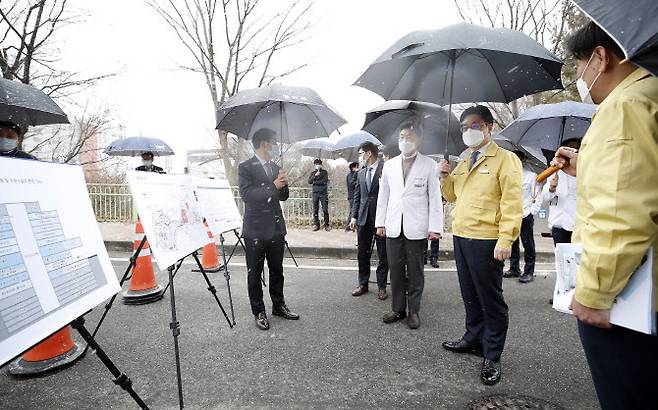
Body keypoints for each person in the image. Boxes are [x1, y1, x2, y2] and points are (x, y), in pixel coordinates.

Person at [550, 22, 658, 409]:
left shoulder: (625, 105)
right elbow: (639, 179)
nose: (580, 75)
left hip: (629, 298)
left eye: (579, 63)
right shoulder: (649, 94)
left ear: (600, 56)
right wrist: (585, 165)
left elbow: (621, 212)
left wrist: (594, 292)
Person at [439, 105, 523, 386]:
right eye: (464, 127)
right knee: (470, 294)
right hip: (462, 236)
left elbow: (512, 203)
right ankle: (473, 338)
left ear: (490, 128)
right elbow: (451, 196)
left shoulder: (505, 160)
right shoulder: (464, 161)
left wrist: (506, 239)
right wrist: (444, 176)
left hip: (488, 240)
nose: (468, 131)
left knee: (491, 299)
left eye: (474, 126)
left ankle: (493, 354)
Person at [375, 121, 443, 330]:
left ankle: (413, 311)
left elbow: (434, 197)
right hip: (394, 225)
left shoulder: (429, 164)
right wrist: (380, 223)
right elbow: (383, 196)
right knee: (395, 269)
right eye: (401, 136)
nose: (404, 140)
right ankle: (398, 308)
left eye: (409, 137)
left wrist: (435, 227)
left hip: (417, 226)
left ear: (419, 140)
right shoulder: (389, 165)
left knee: (415, 271)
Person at [238, 128, 299, 330]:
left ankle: (278, 305)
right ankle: (259, 310)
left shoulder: (275, 166)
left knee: (277, 270)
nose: (275, 147)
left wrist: (284, 183)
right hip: (255, 229)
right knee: (254, 273)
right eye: (273, 142)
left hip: (275, 227)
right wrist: (273, 185)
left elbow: (283, 197)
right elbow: (247, 195)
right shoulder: (246, 167)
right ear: (264, 143)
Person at [349, 142, 388, 300]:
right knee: (362, 253)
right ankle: (363, 284)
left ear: (369, 153)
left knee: (383, 254)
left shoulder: (385, 169)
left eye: (361, 153)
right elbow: (358, 195)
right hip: (364, 217)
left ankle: (382, 286)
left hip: (381, 218)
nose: (360, 157)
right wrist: (354, 216)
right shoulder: (361, 172)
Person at [504, 151, 540, 283]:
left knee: (527, 243)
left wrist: (532, 211)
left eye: (518, 159)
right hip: (511, 214)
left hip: (525, 214)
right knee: (512, 242)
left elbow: (537, 195)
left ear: (523, 160)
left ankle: (529, 271)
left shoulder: (531, 176)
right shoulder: (508, 175)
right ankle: (514, 268)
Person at [541, 138, 580, 246]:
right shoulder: (554, 171)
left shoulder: (585, 171)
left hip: (580, 226)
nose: (571, 152)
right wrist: (552, 188)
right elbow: (545, 198)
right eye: (569, 149)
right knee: (562, 260)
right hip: (560, 224)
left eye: (575, 149)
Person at [308, 158, 330, 231]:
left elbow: (325, 181)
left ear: (321, 165)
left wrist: (316, 182)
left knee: (325, 210)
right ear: (314, 165)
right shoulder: (313, 173)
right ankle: (316, 225)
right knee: (315, 210)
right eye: (316, 164)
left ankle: (326, 224)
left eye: (319, 164)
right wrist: (315, 176)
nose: (318, 166)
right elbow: (309, 181)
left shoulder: (324, 172)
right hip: (315, 194)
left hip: (323, 194)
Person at [345, 162, 359, 231]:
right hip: (352, 196)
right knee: (352, 211)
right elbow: (352, 184)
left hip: (354, 196)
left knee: (353, 211)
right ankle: (349, 226)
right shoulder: (350, 175)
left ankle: (352, 226)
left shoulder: (354, 174)